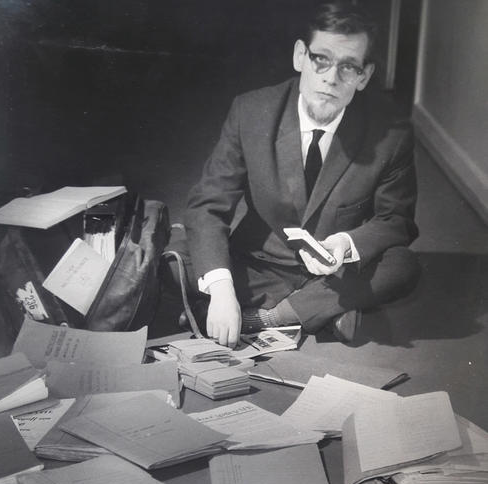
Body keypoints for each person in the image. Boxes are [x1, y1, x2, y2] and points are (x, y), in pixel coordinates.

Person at [167, 1, 420, 348]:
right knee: (178, 251)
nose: (331, 78)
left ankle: (270, 318)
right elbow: (207, 205)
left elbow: (397, 220)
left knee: (402, 265)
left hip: (337, 269)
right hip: (262, 261)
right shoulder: (251, 112)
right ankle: (325, 311)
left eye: (348, 67)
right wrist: (223, 291)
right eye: (322, 59)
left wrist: (345, 246)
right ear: (300, 56)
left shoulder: (392, 133)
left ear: (364, 76)